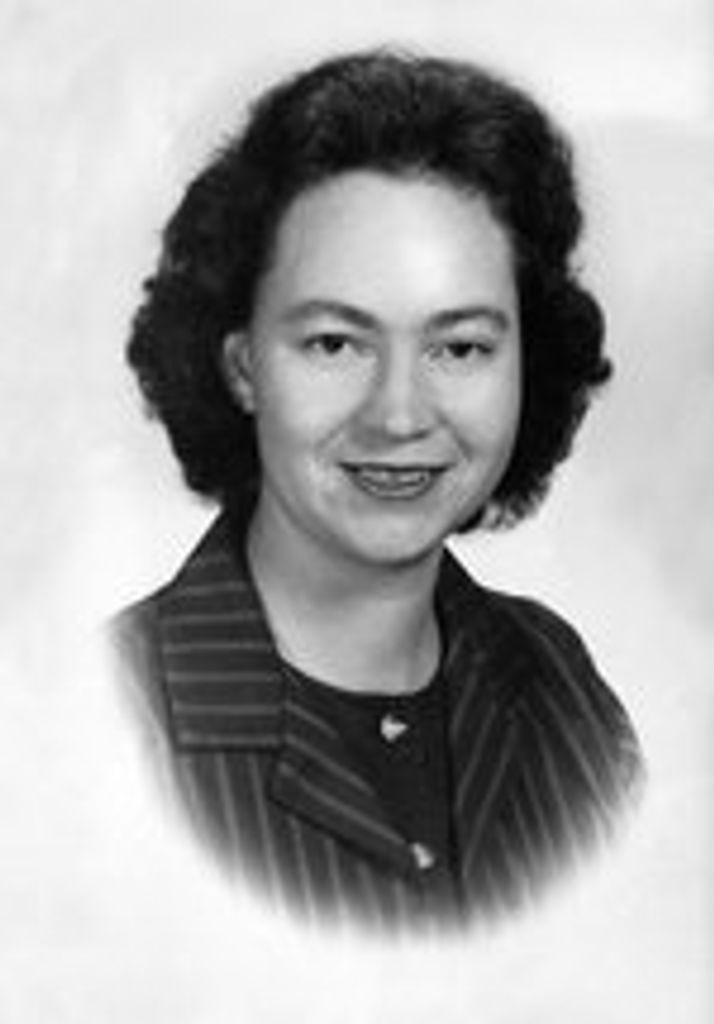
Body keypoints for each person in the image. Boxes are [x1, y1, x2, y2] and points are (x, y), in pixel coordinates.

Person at [114, 49, 643, 932]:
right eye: (335, 343)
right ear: (242, 367)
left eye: (460, 347)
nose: (400, 415)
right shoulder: (100, 724)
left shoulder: (559, 685)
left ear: (527, 362)